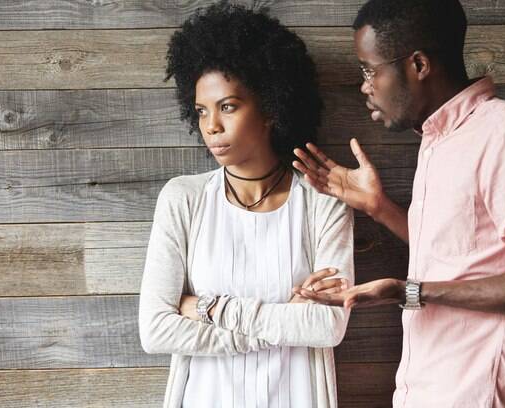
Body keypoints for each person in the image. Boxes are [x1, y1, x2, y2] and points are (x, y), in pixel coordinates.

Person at [293, 0, 505, 407]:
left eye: (370, 70)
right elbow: (463, 255)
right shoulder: (439, 142)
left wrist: (409, 291)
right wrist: (379, 207)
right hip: (430, 386)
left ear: (419, 65)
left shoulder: (503, 135)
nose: (365, 86)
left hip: (481, 393)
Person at [138, 3, 354, 408]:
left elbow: (328, 325)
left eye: (228, 106)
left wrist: (207, 307)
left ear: (271, 107)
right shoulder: (183, 199)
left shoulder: (323, 202)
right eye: (202, 111)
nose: (211, 126)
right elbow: (156, 331)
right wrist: (283, 322)